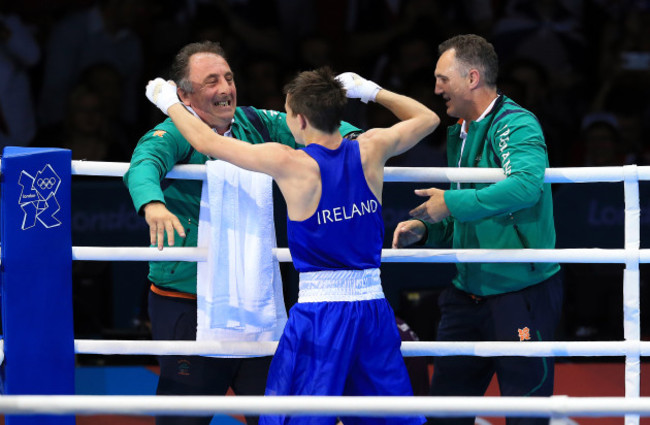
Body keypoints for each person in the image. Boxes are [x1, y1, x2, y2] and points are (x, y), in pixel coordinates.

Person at [145, 66, 439, 425]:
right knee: (387, 417)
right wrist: (371, 91)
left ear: (299, 120)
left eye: (287, 113)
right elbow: (428, 117)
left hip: (320, 315)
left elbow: (207, 143)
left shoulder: (290, 163)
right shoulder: (372, 147)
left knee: (296, 418)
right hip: (373, 310)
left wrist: (171, 103)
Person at [124, 41, 361, 425]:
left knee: (275, 415)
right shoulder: (173, 132)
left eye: (229, 78)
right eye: (211, 81)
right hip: (188, 298)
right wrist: (153, 204)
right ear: (183, 95)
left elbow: (319, 128)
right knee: (183, 418)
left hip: (257, 298)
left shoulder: (256, 122)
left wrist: (354, 144)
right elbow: (144, 164)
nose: (225, 88)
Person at [392, 34, 563, 425]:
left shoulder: (515, 124)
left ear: (472, 78)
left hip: (520, 295)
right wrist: (427, 225)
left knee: (526, 418)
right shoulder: (463, 131)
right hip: (466, 294)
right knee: (445, 416)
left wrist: (448, 203)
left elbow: (524, 185)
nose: (436, 89)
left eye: (442, 79)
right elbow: (473, 210)